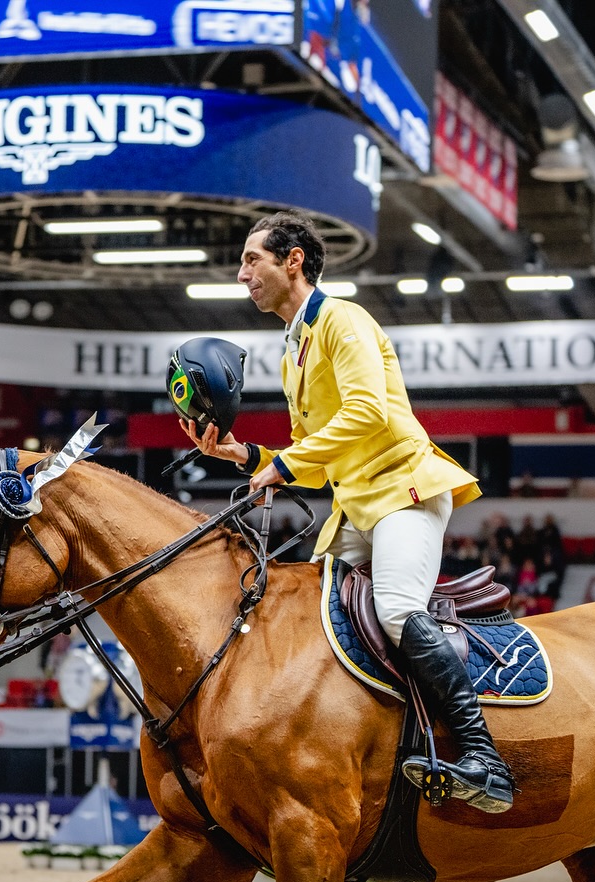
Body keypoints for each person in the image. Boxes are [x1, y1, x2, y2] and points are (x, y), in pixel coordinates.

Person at [182, 210, 514, 814]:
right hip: (356, 505)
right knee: (304, 614)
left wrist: (280, 469)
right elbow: (318, 459)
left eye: (251, 260)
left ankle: (482, 755)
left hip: (403, 490)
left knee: (394, 609)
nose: (241, 275)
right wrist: (250, 455)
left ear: (293, 261)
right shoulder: (293, 351)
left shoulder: (343, 320)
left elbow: (367, 414)